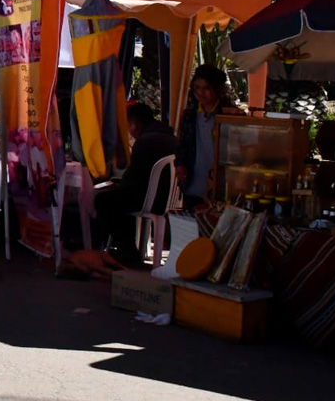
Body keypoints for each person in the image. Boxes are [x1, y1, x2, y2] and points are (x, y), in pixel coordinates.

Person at [94, 103, 177, 265]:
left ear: (135, 124)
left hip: (150, 199)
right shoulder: (169, 137)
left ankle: (127, 249)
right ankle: (127, 248)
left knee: (104, 201)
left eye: (128, 126)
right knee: (118, 198)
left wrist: (118, 185)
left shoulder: (146, 141)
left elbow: (133, 180)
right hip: (166, 199)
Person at [176, 64, 241, 210]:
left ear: (217, 90)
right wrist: (180, 165)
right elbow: (182, 144)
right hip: (193, 182)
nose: (200, 93)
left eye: (206, 88)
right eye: (197, 87)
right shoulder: (190, 114)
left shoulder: (229, 114)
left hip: (221, 184)